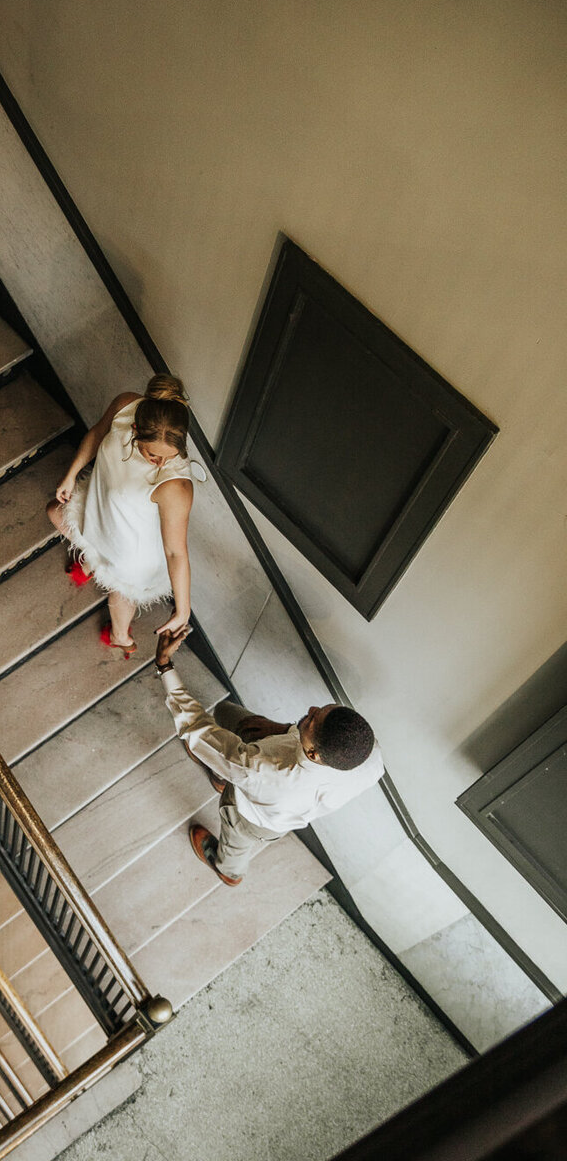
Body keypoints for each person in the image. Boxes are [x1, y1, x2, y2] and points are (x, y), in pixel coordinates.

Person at [154, 626, 383, 885]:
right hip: (274, 765)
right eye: (320, 709)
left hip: (255, 816)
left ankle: (228, 871)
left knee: (235, 840)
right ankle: (221, 776)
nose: (310, 708)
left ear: (314, 753)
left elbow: (195, 728)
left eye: (311, 719)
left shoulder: (259, 770)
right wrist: (285, 730)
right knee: (226, 713)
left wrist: (164, 665)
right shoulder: (369, 754)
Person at [47, 373, 206, 658]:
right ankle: (92, 562)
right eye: (153, 455)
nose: (161, 463)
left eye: (171, 456)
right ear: (135, 428)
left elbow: (175, 552)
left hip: (131, 552)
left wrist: (183, 610)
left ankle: (120, 637)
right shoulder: (126, 404)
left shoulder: (176, 486)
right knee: (53, 512)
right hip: (101, 510)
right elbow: (97, 434)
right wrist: (71, 475)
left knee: (120, 594)